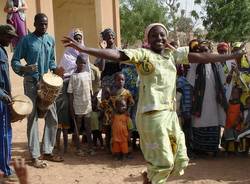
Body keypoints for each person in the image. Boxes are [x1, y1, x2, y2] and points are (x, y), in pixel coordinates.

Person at [62, 23, 244, 184]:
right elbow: (116, 54)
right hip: (152, 115)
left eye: (162, 34)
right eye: (154, 35)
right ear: (147, 39)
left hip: (170, 115)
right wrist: (85, 49)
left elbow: (202, 57)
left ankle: (149, 178)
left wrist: (230, 56)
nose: (159, 37)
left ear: (166, 38)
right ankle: (152, 179)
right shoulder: (143, 55)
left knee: (180, 158)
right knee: (164, 162)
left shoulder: (173, 54)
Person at [11, 13, 63, 168]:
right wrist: (24, 68)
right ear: (34, 23)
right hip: (31, 83)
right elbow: (15, 60)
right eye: (41, 24)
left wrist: (56, 70)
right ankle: (34, 155)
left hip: (47, 84)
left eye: (46, 24)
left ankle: (47, 151)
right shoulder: (26, 40)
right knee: (32, 118)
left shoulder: (50, 39)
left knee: (52, 116)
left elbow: (52, 60)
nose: (44, 26)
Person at [188, 40, 228, 157]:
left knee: (214, 121)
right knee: (198, 121)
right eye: (202, 51)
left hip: (214, 100)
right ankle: (199, 149)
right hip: (200, 101)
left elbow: (222, 81)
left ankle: (212, 148)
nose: (204, 53)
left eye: (206, 50)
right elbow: (190, 83)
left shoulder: (217, 64)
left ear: (210, 51)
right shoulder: (196, 64)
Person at [56, 28, 87, 154]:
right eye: (76, 38)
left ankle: (77, 137)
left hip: (80, 85)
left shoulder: (85, 53)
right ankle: (61, 142)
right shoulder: (67, 54)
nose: (78, 41)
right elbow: (62, 72)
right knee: (67, 110)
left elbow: (87, 70)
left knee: (80, 113)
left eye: (80, 38)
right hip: (68, 84)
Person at [0, 24, 18, 182]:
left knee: (5, 133)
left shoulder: (2, 50)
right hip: (0, 98)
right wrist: (3, 95)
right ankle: (6, 169)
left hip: (4, 97)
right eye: (8, 37)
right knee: (4, 134)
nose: (11, 40)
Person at [68, 54, 95, 156]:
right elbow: (70, 93)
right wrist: (71, 108)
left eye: (84, 63)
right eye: (80, 62)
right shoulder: (73, 77)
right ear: (76, 63)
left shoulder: (88, 74)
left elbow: (91, 90)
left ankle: (90, 148)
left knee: (88, 127)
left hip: (87, 105)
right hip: (77, 106)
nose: (82, 64)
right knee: (77, 127)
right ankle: (78, 148)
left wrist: (92, 102)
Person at [222, 87, 244, 154]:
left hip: (237, 124)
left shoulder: (240, 104)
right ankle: (226, 150)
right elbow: (225, 112)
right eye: (233, 92)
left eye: (236, 93)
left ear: (240, 94)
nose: (234, 94)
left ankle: (236, 150)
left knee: (236, 139)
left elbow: (241, 115)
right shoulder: (229, 103)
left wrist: (237, 122)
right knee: (228, 138)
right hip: (228, 123)